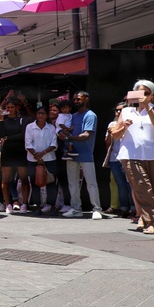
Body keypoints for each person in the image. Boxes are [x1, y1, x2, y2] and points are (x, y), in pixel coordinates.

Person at [111, 80, 154, 234]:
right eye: (140, 93)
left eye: (147, 93)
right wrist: (125, 126)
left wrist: (148, 108)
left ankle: (143, 217)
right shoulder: (126, 111)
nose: (143, 96)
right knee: (143, 187)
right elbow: (115, 135)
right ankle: (150, 221)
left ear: (152, 95)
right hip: (131, 155)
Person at [59, 91, 104, 220]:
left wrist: (69, 136)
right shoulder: (72, 116)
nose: (76, 101)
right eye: (74, 99)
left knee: (91, 183)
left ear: (86, 99)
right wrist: (62, 134)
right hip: (71, 153)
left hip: (86, 154)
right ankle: (75, 209)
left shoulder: (90, 115)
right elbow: (67, 129)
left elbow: (86, 135)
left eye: (79, 99)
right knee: (72, 183)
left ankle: (96, 209)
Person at [0, 98, 30, 213]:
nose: (10, 109)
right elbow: (1, 135)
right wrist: (0, 120)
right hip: (7, 153)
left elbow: (23, 135)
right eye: (8, 108)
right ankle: (8, 204)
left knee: (24, 180)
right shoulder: (3, 121)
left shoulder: (22, 120)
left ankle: (24, 204)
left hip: (20, 152)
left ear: (16, 108)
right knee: (5, 180)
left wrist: (9, 138)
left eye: (12, 107)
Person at [25, 106, 58, 214]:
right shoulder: (30, 127)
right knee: (35, 184)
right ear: (36, 114)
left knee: (51, 184)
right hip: (32, 159)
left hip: (49, 159)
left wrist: (42, 154)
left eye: (43, 113)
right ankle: (38, 207)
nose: (41, 115)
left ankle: (52, 207)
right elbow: (28, 144)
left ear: (47, 115)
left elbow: (54, 144)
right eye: (39, 113)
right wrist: (37, 156)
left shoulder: (51, 128)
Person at [105, 101, 134, 218]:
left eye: (120, 110)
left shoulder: (132, 122)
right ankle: (124, 208)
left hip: (127, 156)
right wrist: (109, 134)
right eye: (116, 110)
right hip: (114, 158)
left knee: (130, 185)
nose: (118, 112)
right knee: (120, 184)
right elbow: (107, 144)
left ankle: (133, 208)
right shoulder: (112, 123)